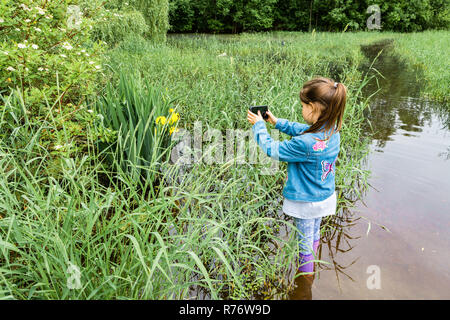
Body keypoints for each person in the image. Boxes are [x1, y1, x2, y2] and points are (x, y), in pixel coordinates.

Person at [247, 77, 347, 299]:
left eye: (303, 106)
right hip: (323, 198)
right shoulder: (332, 130)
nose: (301, 109)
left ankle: (305, 282)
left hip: (305, 201)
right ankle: (310, 270)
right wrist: (277, 122)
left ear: (313, 108)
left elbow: (272, 149)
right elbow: (305, 130)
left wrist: (259, 126)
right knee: (314, 232)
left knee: (303, 242)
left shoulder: (305, 143)